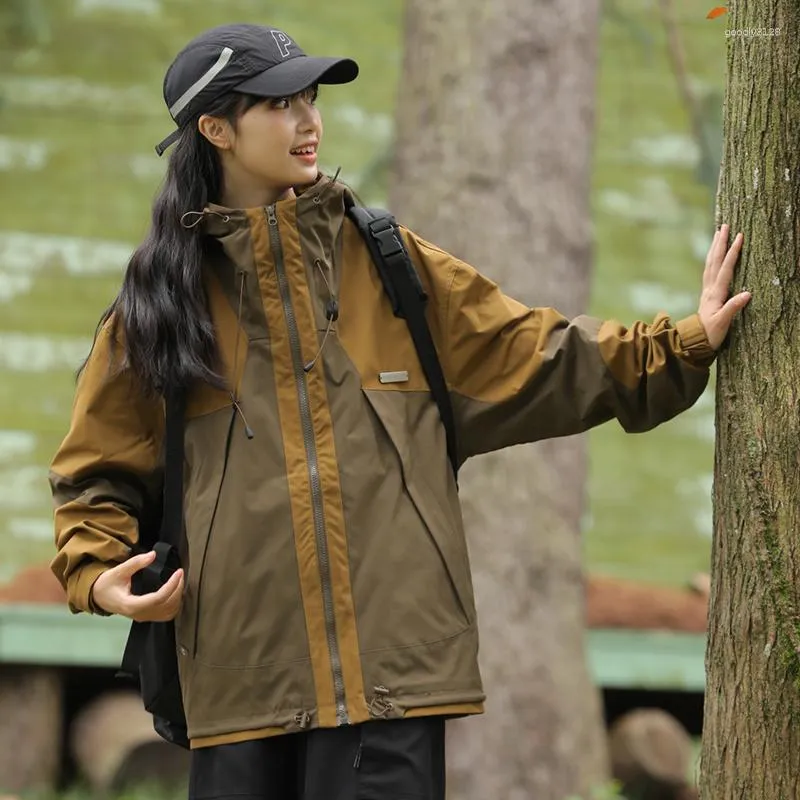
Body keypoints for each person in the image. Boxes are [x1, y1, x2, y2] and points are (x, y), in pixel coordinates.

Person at [49, 22, 750, 800]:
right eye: (281, 105)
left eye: (311, 99)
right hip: (242, 686)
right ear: (215, 127)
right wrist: (101, 569)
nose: (309, 121)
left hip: (395, 684)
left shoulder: (390, 265)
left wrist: (684, 341)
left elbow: (543, 355)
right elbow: (93, 477)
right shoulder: (157, 310)